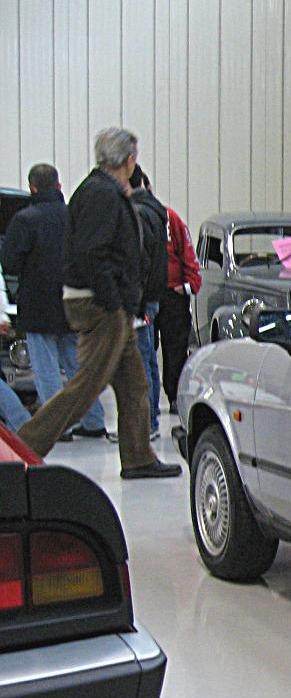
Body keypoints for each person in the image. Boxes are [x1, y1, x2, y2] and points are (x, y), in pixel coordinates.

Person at [16, 127, 181, 478]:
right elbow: (94, 254)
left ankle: (138, 458)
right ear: (130, 160)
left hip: (105, 302)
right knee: (84, 387)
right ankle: (20, 449)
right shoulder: (102, 195)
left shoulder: (100, 190)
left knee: (134, 383)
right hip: (100, 304)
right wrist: (115, 302)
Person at [0, 163, 107, 440]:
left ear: (33, 187)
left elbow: (9, 263)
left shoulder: (25, 220)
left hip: (37, 306)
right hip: (73, 302)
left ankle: (60, 426)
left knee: (46, 369)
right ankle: (94, 421)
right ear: (58, 186)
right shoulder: (74, 216)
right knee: (77, 367)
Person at [128, 166, 166, 439]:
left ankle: (147, 424)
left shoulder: (138, 214)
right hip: (153, 295)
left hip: (141, 299)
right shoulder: (156, 211)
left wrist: (134, 300)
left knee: (141, 362)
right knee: (149, 359)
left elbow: (138, 261)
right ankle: (152, 418)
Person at [156, 191, 200, 414]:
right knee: (144, 350)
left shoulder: (169, 218)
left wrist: (189, 285)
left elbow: (187, 252)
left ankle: (174, 396)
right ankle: (151, 400)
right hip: (148, 293)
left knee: (175, 347)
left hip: (172, 293)